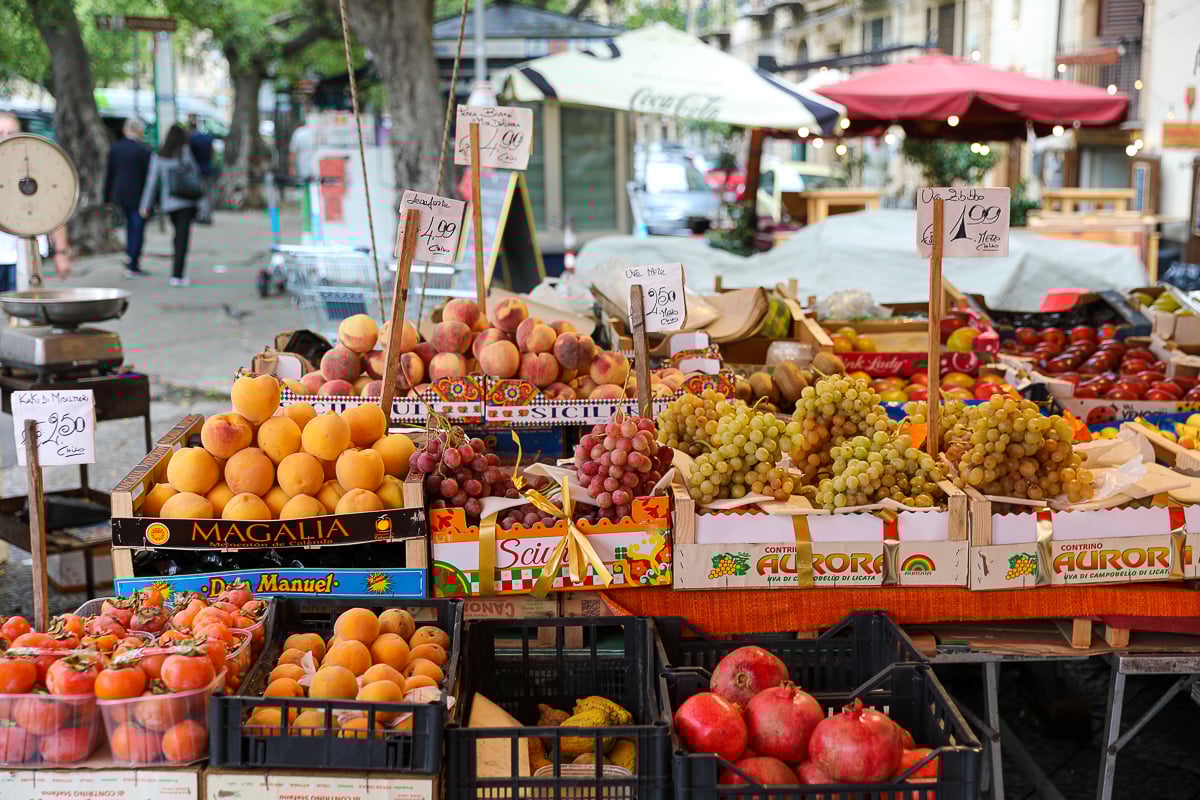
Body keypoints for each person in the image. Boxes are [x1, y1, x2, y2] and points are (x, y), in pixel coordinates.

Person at [0, 112, 72, 290]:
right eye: (0, 133)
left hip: (25, 256)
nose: (5, 138)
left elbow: (55, 211)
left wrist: (61, 252)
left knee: (22, 314)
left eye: (11, 133)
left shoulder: (37, 168)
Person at [140, 123, 202, 287]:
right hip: (186, 201)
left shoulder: (159, 156)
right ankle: (178, 274)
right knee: (183, 237)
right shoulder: (184, 152)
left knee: (177, 235)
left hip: (169, 203)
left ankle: (177, 270)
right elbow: (195, 174)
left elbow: (152, 183)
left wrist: (146, 204)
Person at [104, 118, 152, 277]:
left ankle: (130, 255)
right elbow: (148, 178)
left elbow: (109, 174)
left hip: (120, 194)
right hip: (139, 195)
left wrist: (106, 197)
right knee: (137, 228)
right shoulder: (144, 151)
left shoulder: (116, 149)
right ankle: (133, 262)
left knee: (129, 226)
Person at [187, 114, 216, 224]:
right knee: (208, 194)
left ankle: (203, 215)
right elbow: (212, 153)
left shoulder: (191, 139)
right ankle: (207, 214)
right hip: (207, 168)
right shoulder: (207, 137)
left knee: (200, 194)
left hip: (196, 170)